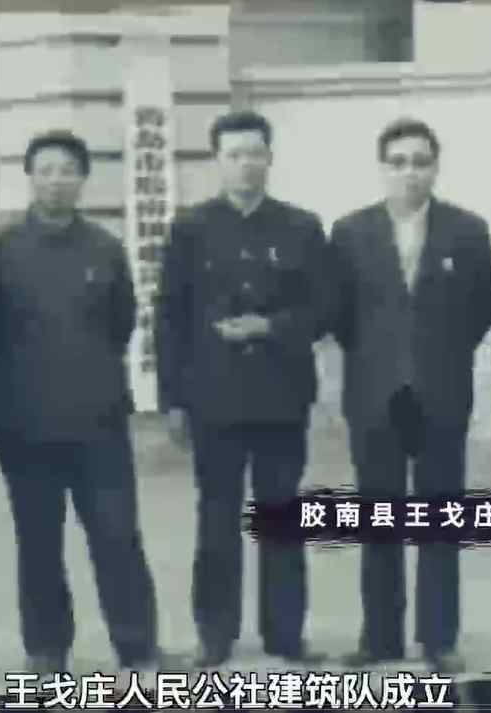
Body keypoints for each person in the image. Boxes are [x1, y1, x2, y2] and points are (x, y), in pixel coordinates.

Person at [0, 129, 163, 674]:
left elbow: (121, 323)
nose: (56, 180)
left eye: (67, 170)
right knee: (38, 542)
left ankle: (137, 647)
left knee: (117, 535)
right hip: (24, 424)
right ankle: (46, 650)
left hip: (98, 422)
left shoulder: (104, 248)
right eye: (46, 170)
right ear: (29, 177)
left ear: (83, 178)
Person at [155, 110, 333, 668]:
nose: (246, 164)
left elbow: (324, 309)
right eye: (234, 155)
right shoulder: (190, 228)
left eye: (255, 153)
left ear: (270, 157)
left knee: (281, 514)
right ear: (217, 161)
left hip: (282, 396)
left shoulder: (302, 227)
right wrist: (172, 400)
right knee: (216, 520)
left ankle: (285, 634)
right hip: (214, 398)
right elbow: (169, 316)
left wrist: (269, 326)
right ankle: (215, 634)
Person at [327, 118, 491, 674]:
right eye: (398, 162)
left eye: (420, 161)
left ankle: (438, 639)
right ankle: (380, 637)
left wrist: (436, 357)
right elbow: (339, 313)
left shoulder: (466, 231)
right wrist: (381, 361)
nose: (410, 172)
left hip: (439, 396)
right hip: (374, 396)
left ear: (436, 167)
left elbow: (481, 307)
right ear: (382, 168)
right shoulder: (350, 232)